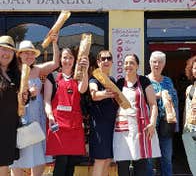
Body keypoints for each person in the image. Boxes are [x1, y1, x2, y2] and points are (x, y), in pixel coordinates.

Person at [11, 33, 59, 176]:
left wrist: (55, 43)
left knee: (38, 158)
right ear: (19, 55)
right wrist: (26, 92)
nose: (29, 56)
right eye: (26, 53)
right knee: (17, 158)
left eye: (32, 54)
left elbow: (55, 63)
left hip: (37, 118)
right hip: (20, 120)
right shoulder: (13, 72)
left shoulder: (37, 69)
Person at [44, 47, 89, 176]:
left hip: (74, 127)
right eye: (65, 57)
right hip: (58, 126)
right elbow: (47, 100)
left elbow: (82, 89)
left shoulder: (77, 77)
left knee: (71, 163)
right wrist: (50, 115)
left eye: (70, 57)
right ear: (60, 59)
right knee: (61, 162)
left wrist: (85, 70)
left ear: (74, 60)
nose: (67, 60)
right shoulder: (52, 77)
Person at [113, 54, 161, 176]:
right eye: (126, 63)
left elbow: (153, 104)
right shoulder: (119, 83)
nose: (128, 65)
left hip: (141, 130)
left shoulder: (144, 81)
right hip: (122, 132)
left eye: (132, 63)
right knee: (122, 169)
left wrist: (152, 124)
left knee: (141, 169)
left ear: (137, 66)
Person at [147, 51, 179, 176]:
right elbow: (142, 99)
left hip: (166, 123)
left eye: (160, 62)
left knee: (166, 156)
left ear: (164, 64)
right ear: (150, 63)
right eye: (154, 61)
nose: (157, 64)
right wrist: (158, 96)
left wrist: (170, 98)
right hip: (151, 124)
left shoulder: (168, 81)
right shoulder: (145, 80)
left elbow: (174, 102)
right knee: (149, 158)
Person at [88, 50, 118, 176]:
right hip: (99, 127)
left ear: (112, 62)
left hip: (112, 126)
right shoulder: (95, 78)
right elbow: (94, 94)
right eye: (103, 59)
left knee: (108, 160)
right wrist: (106, 94)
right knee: (100, 160)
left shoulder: (112, 79)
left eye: (109, 58)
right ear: (98, 62)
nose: (106, 61)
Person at [0, 35, 22, 176]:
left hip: (9, 127)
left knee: (4, 164)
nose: (6, 53)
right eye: (2, 49)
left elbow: (18, 101)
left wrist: (25, 96)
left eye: (10, 50)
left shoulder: (15, 74)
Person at [182, 55, 196, 176]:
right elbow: (186, 110)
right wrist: (183, 130)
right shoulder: (189, 88)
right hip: (189, 130)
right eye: (195, 68)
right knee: (193, 163)